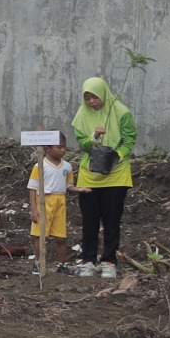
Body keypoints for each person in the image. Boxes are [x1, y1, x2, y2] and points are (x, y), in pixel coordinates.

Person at [68, 78, 136, 279]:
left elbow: (130, 138)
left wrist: (118, 155)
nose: (91, 101)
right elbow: (84, 145)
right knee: (89, 219)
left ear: (103, 94)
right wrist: (94, 137)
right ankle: (88, 260)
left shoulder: (121, 112)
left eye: (94, 97)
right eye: (87, 98)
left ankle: (108, 260)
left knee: (112, 219)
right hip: (90, 174)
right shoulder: (81, 116)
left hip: (116, 174)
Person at [31, 142, 72, 258]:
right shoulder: (40, 166)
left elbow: (69, 185)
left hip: (60, 201)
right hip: (44, 201)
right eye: (59, 147)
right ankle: (39, 263)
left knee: (61, 237)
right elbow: (32, 188)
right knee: (41, 235)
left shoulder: (67, 166)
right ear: (47, 148)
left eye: (64, 147)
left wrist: (80, 189)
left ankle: (62, 264)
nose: (63, 150)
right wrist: (34, 209)